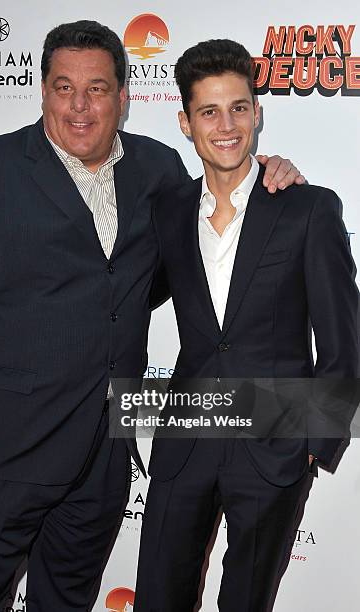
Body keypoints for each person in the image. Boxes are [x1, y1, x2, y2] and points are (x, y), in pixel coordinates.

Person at [0, 21, 304, 612]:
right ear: (43, 91)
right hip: (1, 445)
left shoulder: (158, 171)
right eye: (63, 86)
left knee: (69, 596)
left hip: (103, 450)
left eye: (97, 88)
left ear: (123, 98)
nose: (79, 105)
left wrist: (269, 176)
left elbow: (198, 250)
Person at [134, 39, 359, 611]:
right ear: (186, 122)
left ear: (258, 112)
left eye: (239, 107)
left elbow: (343, 342)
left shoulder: (308, 208)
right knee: (159, 597)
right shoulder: (167, 210)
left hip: (275, 445)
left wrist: (314, 444)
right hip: (185, 437)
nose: (227, 125)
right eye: (209, 111)